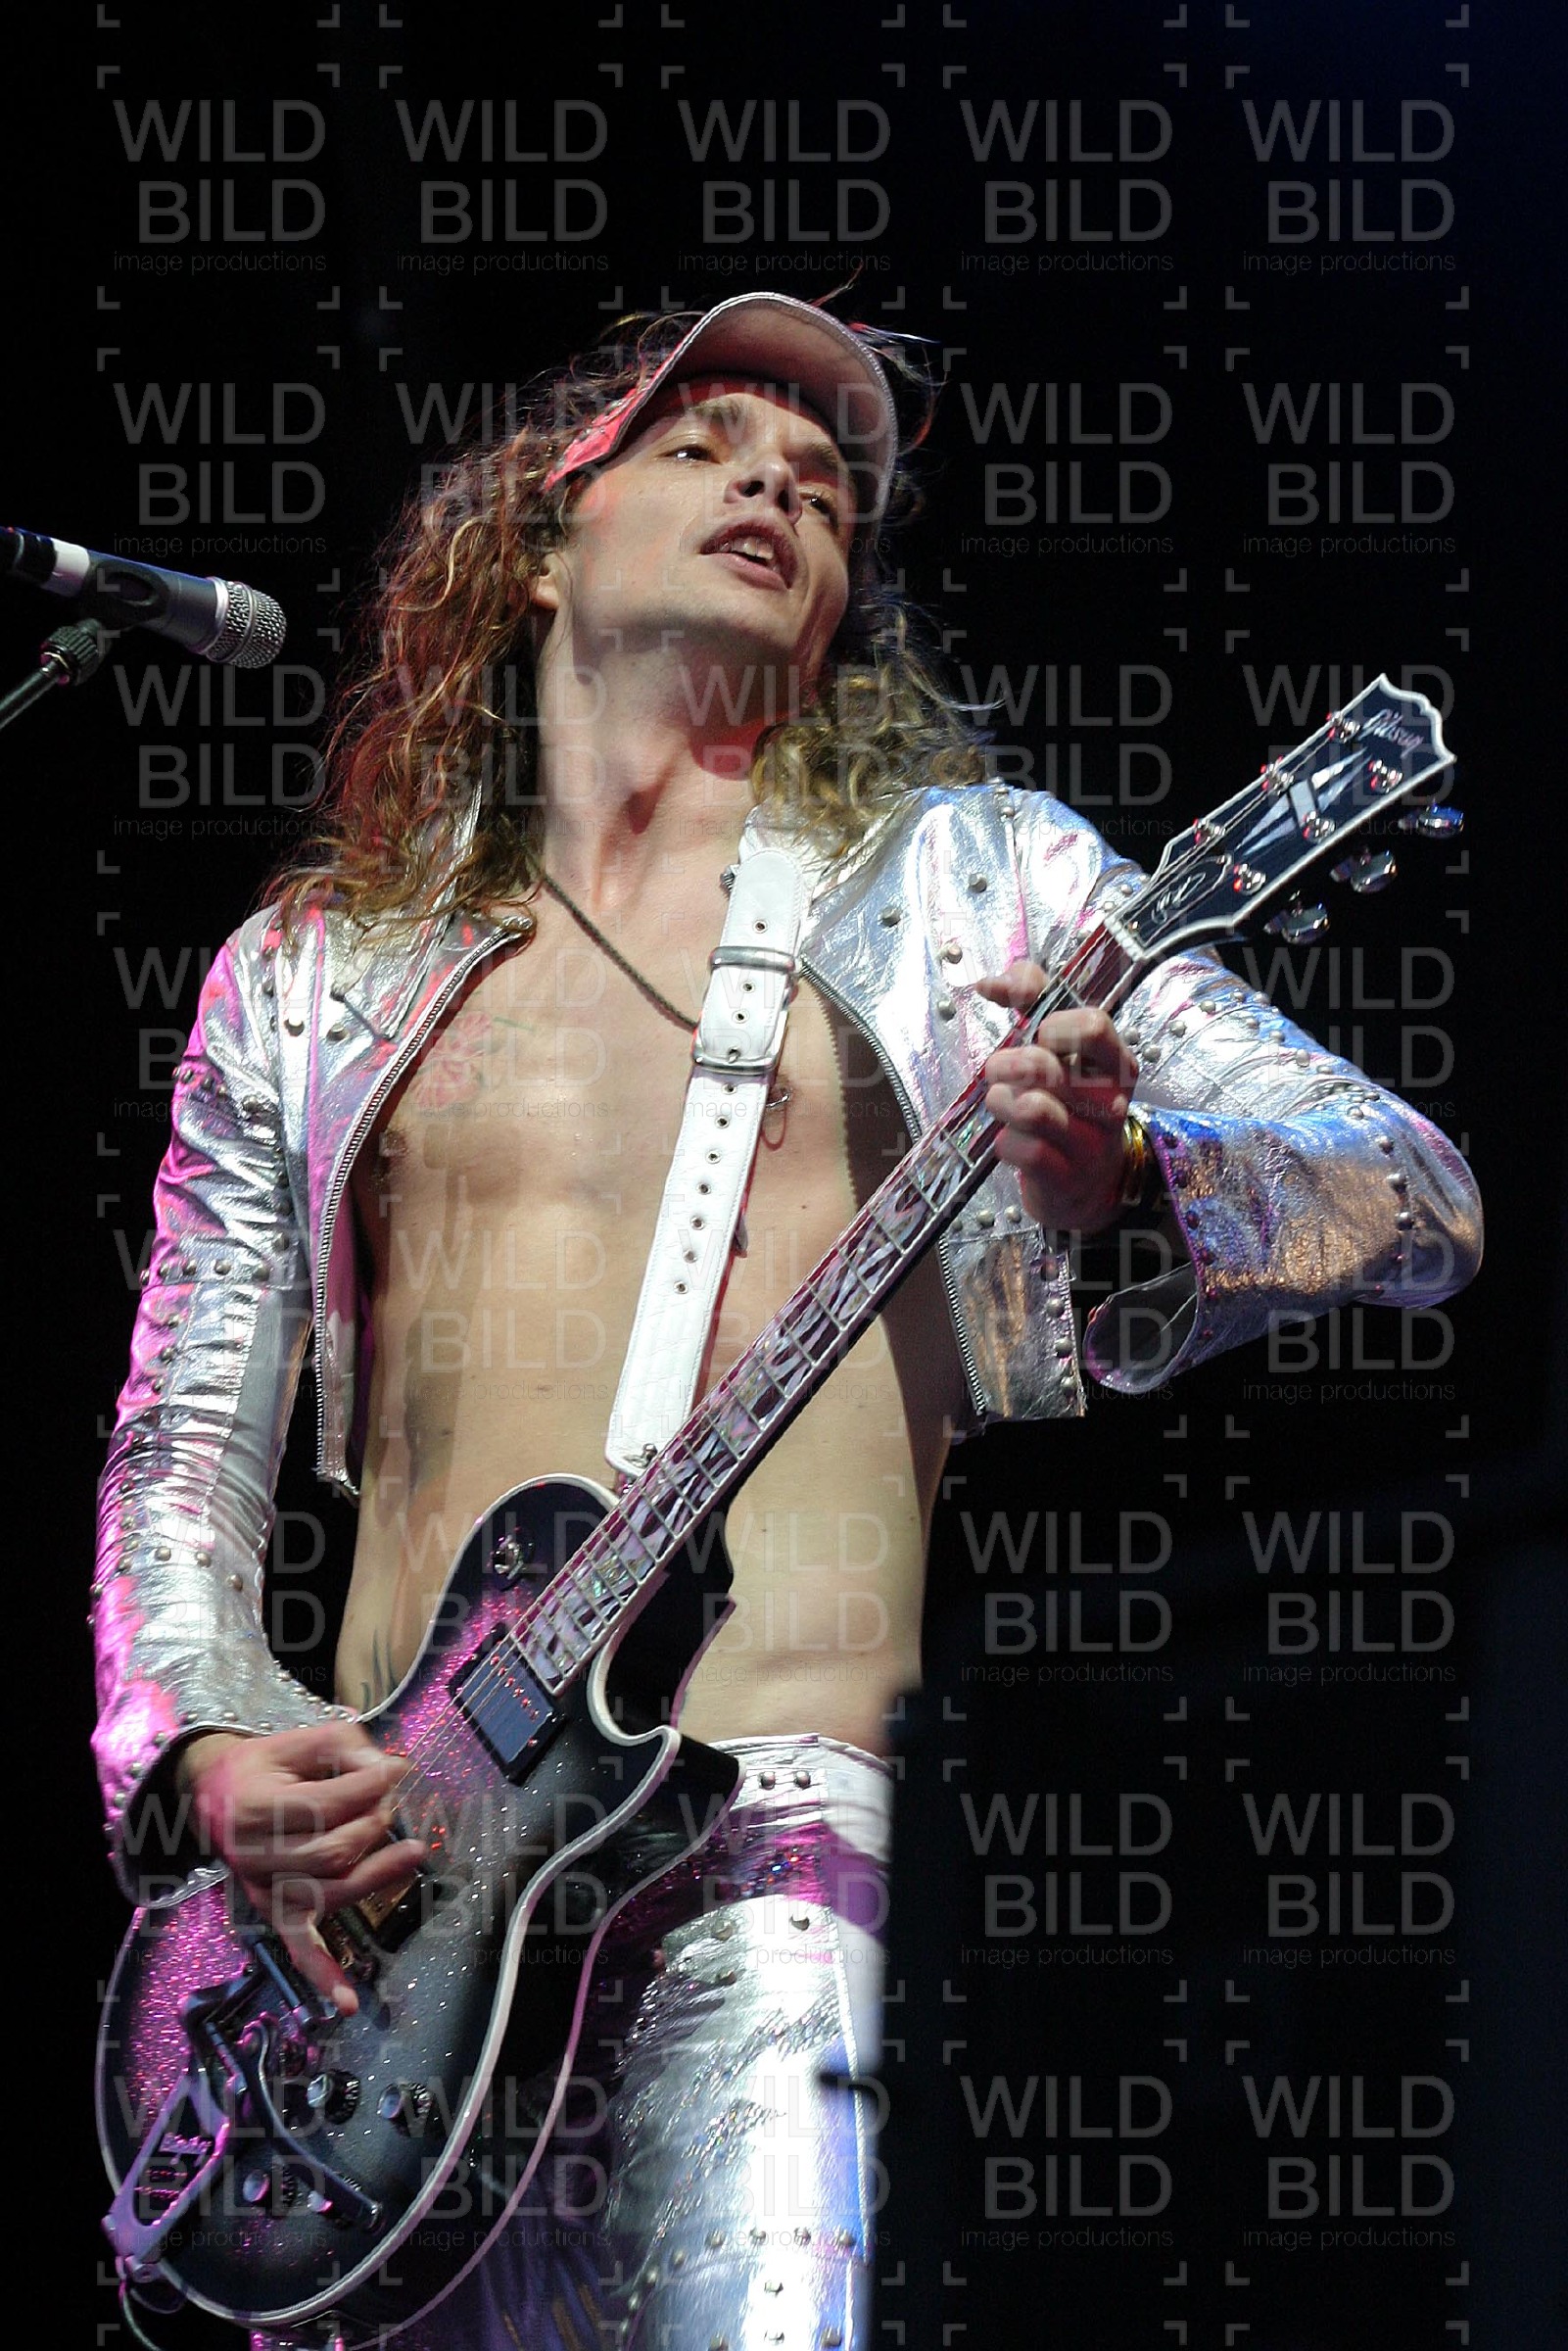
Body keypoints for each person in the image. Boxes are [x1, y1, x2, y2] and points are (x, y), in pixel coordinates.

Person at [93, 291, 1482, 2350]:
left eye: (825, 494)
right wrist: (203, 1748)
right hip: (372, 1931)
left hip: (764, 1852)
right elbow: (177, 1446)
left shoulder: (977, 888)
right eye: (705, 447)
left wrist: (1135, 1171)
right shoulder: (309, 972)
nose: (775, 489)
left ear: (834, 614)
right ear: (541, 541)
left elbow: (1413, 1192)